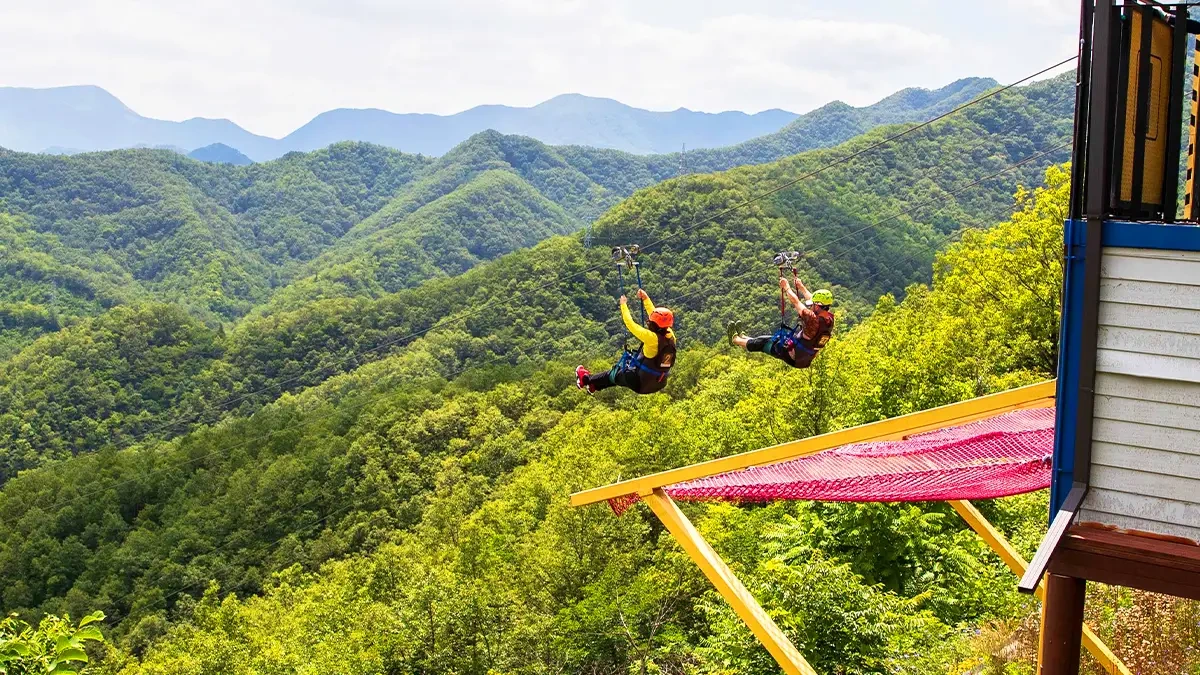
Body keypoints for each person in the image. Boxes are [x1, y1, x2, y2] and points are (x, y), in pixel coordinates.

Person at [577, 288, 676, 394]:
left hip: (640, 382)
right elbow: (656, 316)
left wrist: (623, 305)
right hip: (657, 382)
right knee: (617, 377)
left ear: (654, 324)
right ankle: (594, 385)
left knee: (613, 374)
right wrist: (646, 298)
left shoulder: (651, 338)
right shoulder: (670, 336)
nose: (649, 322)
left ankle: (584, 379)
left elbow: (630, 323)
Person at [728, 277, 833, 368]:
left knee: (764, 343)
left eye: (813, 304)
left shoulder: (812, 319)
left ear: (818, 306)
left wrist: (786, 287)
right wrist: (801, 287)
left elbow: (796, 302)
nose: (811, 306)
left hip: (793, 356)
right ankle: (743, 337)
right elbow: (812, 299)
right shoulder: (828, 319)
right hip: (804, 358)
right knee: (766, 340)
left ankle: (735, 340)